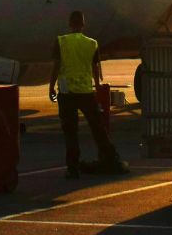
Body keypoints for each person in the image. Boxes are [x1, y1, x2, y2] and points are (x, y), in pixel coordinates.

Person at [48, 10, 126, 178]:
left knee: (71, 132)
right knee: (98, 128)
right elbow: (95, 69)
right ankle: (111, 158)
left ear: (69, 24)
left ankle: (73, 168)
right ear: (83, 25)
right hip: (85, 92)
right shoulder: (92, 43)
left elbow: (56, 66)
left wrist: (51, 87)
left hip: (67, 92)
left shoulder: (61, 41)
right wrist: (97, 87)